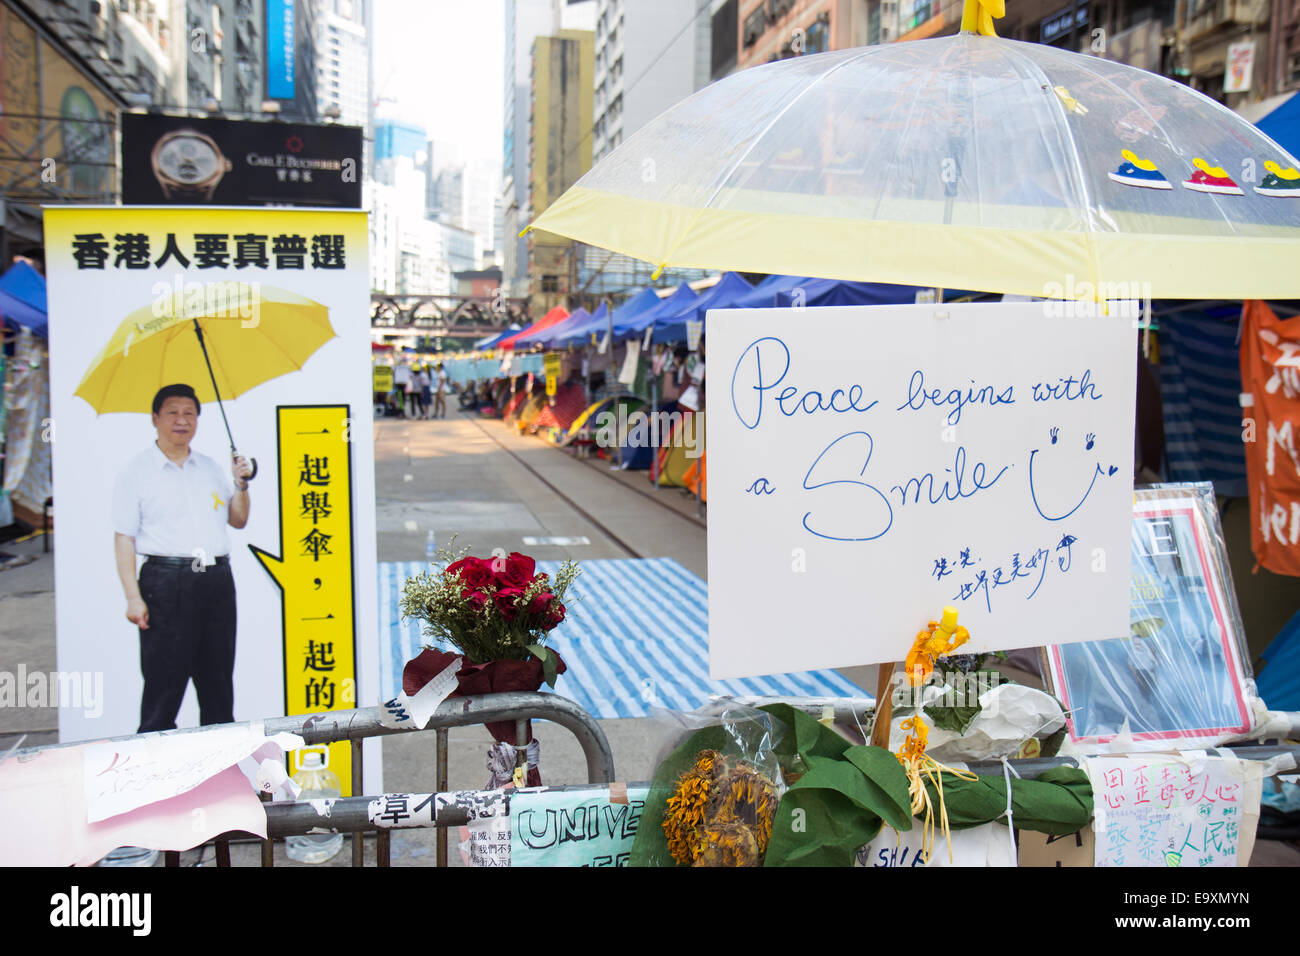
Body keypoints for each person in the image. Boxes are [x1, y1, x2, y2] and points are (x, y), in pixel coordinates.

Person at [112, 384, 253, 733]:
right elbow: (124, 538)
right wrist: (133, 597)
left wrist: (241, 485)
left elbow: (238, 520)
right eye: (173, 412)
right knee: (163, 690)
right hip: (165, 584)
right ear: (155, 418)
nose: (182, 420)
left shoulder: (209, 468)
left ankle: (221, 778)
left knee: (219, 688)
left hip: (216, 583)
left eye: (190, 412)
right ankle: (157, 780)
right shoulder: (136, 471)